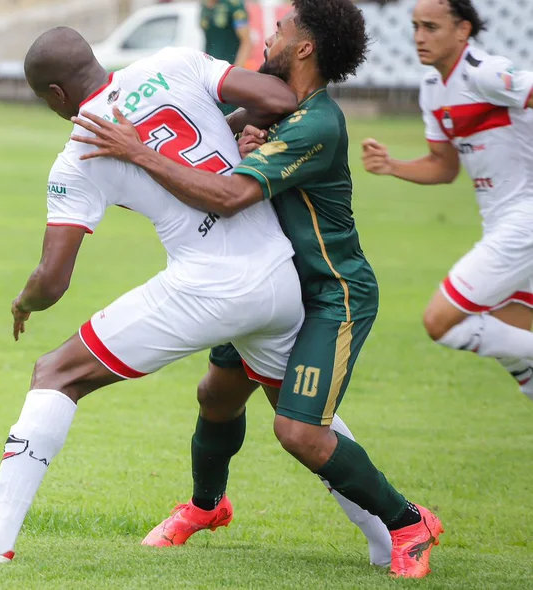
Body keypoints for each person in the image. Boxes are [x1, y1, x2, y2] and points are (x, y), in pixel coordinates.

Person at [0, 26, 387, 566]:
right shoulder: (175, 62)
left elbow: (53, 279)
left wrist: (24, 302)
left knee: (57, 373)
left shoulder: (80, 152)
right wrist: (230, 132)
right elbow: (279, 99)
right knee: (303, 421)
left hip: (211, 283)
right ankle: (391, 533)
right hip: (279, 274)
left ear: (56, 97)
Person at [70, 0, 441, 578]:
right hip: (271, 282)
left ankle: (409, 522)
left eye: (283, 27)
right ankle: (205, 506)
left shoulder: (316, 123)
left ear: (304, 47)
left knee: (299, 433)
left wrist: (136, 152)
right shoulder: (277, 109)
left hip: (331, 294)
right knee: (216, 396)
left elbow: (228, 196)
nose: (270, 33)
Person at [361, 0, 533, 402]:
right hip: (501, 223)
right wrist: (392, 166)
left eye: (432, 27)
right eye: (416, 26)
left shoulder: (485, 73)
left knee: (442, 321)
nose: (420, 37)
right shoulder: (433, 90)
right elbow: (444, 167)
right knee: (503, 324)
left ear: (463, 30)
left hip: (523, 221)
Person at [201, 0, 253, 67]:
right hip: (210, 66)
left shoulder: (234, 5)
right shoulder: (204, 5)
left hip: (228, 66)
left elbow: (246, 42)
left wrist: (236, 70)